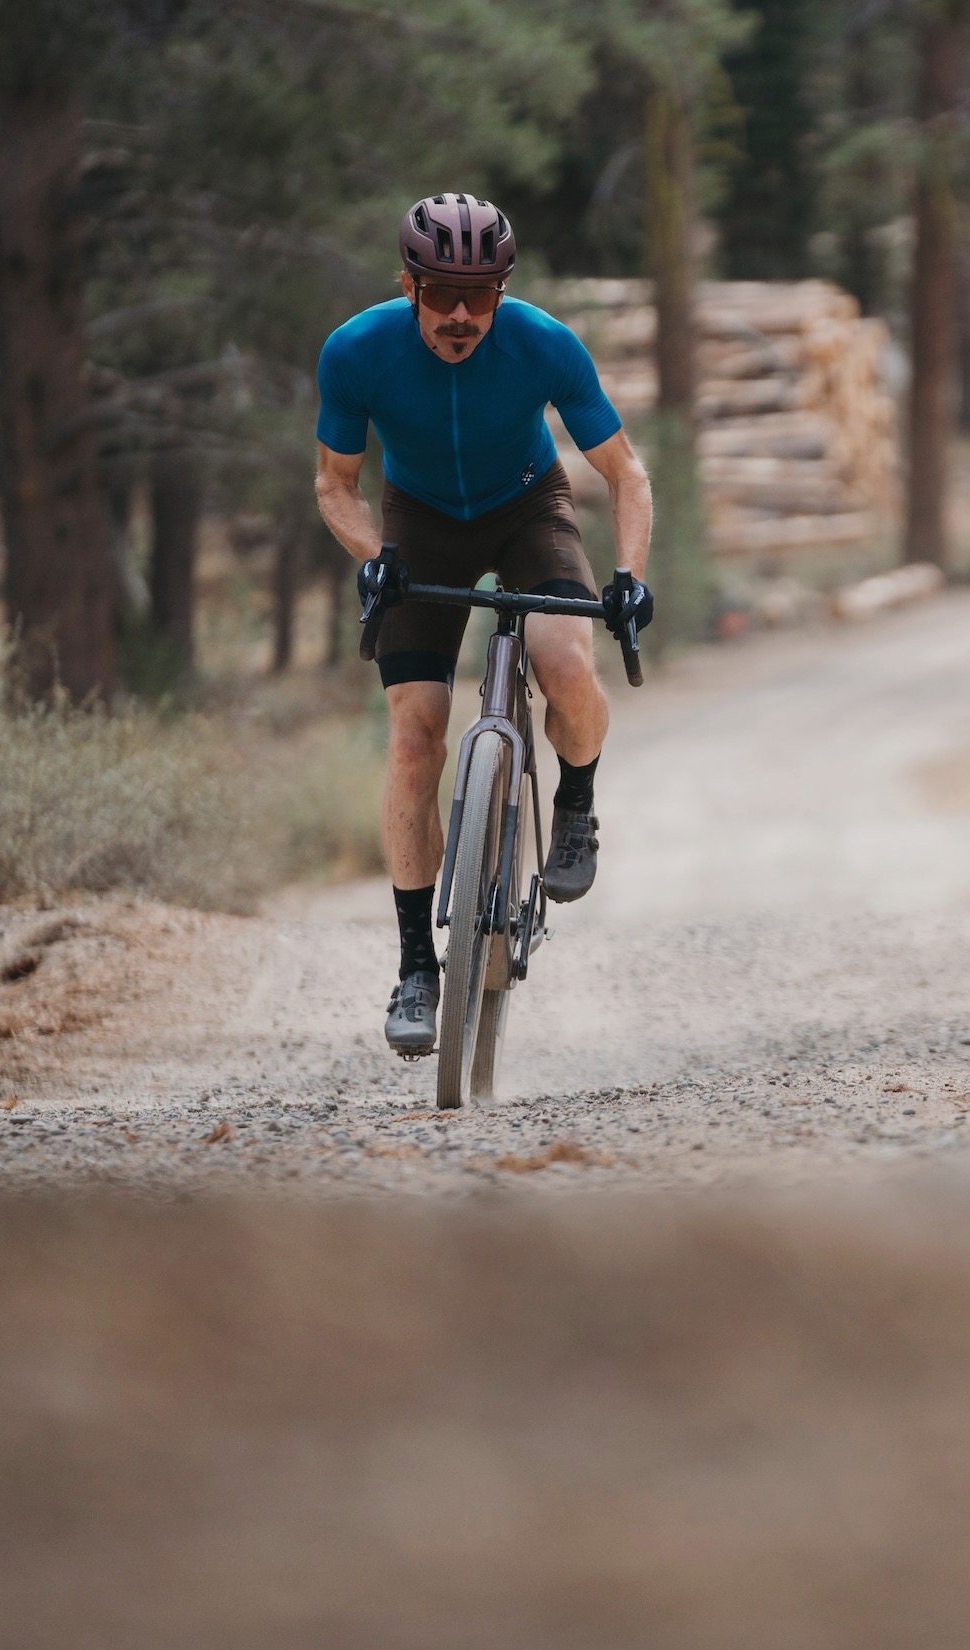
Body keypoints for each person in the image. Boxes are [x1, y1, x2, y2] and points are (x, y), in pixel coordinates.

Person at [314, 193, 653, 1057]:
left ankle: (576, 801)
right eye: (441, 295)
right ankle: (415, 968)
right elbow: (335, 486)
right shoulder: (356, 350)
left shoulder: (544, 343)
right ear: (409, 286)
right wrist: (373, 555)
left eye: (480, 295)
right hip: (419, 521)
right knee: (415, 735)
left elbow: (626, 474)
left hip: (526, 508)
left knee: (566, 663)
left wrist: (629, 577)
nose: (461, 316)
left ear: (503, 290)